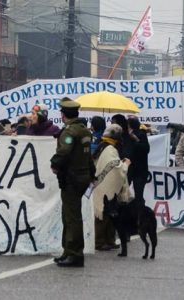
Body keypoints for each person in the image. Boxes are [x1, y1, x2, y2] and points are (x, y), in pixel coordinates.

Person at [50, 97, 95, 267]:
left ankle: (75, 254)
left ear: (63, 114)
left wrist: (55, 163)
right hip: (82, 176)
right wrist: (92, 173)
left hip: (71, 178)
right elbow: (87, 156)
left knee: (72, 217)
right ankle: (68, 251)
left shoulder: (69, 132)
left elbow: (64, 151)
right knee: (69, 215)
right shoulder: (84, 131)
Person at [92, 124, 131, 251]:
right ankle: (100, 241)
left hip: (102, 184)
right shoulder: (110, 149)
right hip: (105, 185)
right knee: (103, 213)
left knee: (109, 213)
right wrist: (125, 164)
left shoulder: (103, 145)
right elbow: (116, 168)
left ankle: (109, 240)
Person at [127, 116, 150, 204]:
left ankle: (139, 213)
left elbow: (146, 149)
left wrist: (136, 140)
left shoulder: (141, 134)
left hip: (140, 171)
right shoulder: (126, 136)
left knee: (138, 195)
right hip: (129, 169)